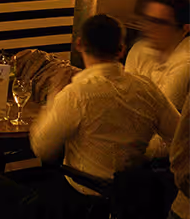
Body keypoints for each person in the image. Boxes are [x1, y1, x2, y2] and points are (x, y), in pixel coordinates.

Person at [33, 13, 178, 195]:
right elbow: (180, 136)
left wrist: (52, 102)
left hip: (84, 194)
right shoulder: (147, 88)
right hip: (134, 195)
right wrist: (144, 152)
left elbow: (42, 147)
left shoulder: (76, 94)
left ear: (79, 44)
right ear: (121, 50)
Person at [125, 0, 190, 110]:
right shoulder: (139, 48)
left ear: (185, 29)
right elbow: (125, 95)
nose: (149, 28)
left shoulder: (186, 62)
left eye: (160, 22)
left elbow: (163, 111)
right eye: (148, 20)